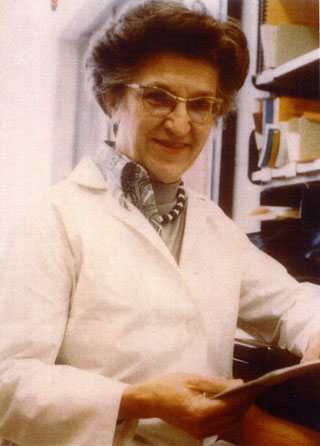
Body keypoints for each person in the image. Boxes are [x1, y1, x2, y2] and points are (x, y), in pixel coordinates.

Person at [0, 1, 320, 445]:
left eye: (201, 104)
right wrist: (137, 399)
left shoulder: (212, 225)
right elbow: (8, 381)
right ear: (113, 99)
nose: (180, 123)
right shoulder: (53, 219)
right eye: (158, 97)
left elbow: (291, 303)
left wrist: (316, 331)